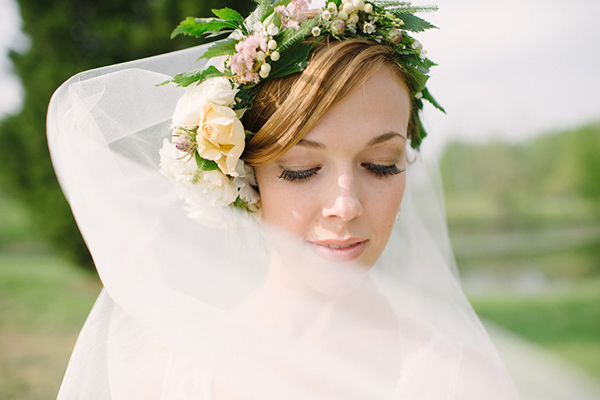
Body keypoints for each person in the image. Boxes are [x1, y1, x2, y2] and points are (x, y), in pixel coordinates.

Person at [47, 1, 520, 398]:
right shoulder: (157, 376)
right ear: (243, 174)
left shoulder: (463, 385)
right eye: (301, 170)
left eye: (380, 164)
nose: (345, 204)